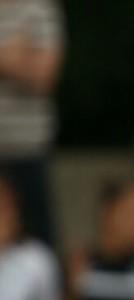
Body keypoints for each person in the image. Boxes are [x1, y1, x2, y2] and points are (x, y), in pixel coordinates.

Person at [0, 0, 63, 248]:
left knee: (37, 245)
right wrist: (14, 56)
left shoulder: (40, 8)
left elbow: (45, 75)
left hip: (27, 151)